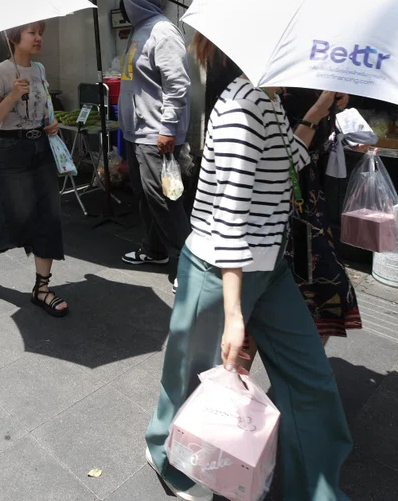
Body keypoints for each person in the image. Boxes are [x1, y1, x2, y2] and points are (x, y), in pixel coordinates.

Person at [144, 33, 352, 501]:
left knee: (309, 379)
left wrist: (316, 114)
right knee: (190, 374)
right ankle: (164, 453)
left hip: (268, 267)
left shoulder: (269, 101)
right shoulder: (242, 108)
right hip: (218, 273)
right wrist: (236, 315)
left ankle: (315, 489)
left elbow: (285, 161)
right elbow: (232, 218)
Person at [0, 21, 68, 318]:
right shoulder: (0, 72)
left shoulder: (40, 70)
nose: (38, 38)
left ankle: (42, 288)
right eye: (32, 32)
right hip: (10, 152)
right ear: (14, 37)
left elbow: (42, 111)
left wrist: (52, 122)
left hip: (41, 148)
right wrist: (10, 97)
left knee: (49, 217)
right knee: (11, 225)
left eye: (41, 33)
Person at [117, 0, 192, 290]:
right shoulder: (139, 31)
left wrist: (167, 129)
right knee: (145, 197)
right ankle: (155, 249)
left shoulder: (162, 33)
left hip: (157, 138)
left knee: (166, 200)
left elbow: (178, 86)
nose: (120, 4)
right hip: (137, 134)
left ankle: (186, 268)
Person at [281, 89, 362, 343]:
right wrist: (319, 108)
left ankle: (306, 371)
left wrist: (336, 105)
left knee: (322, 285)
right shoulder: (269, 93)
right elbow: (284, 157)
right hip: (282, 192)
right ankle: (236, 374)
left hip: (309, 190)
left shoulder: (316, 74)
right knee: (259, 289)